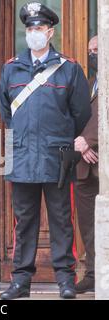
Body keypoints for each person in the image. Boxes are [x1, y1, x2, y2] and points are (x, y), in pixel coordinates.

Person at [0, 2, 91, 300]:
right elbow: (7, 113)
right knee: (23, 222)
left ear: (50, 32)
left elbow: (81, 115)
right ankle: (20, 281)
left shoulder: (69, 69)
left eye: (39, 28)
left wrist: (61, 139)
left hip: (57, 156)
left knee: (62, 219)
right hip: (23, 155)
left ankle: (65, 279)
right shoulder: (11, 68)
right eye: (30, 28)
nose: (34, 33)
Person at [74, 36, 99, 294]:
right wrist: (78, 144)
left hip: (102, 161)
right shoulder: (91, 83)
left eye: (98, 50)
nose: (93, 56)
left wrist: (87, 141)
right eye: (90, 51)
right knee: (88, 225)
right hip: (83, 165)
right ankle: (92, 273)